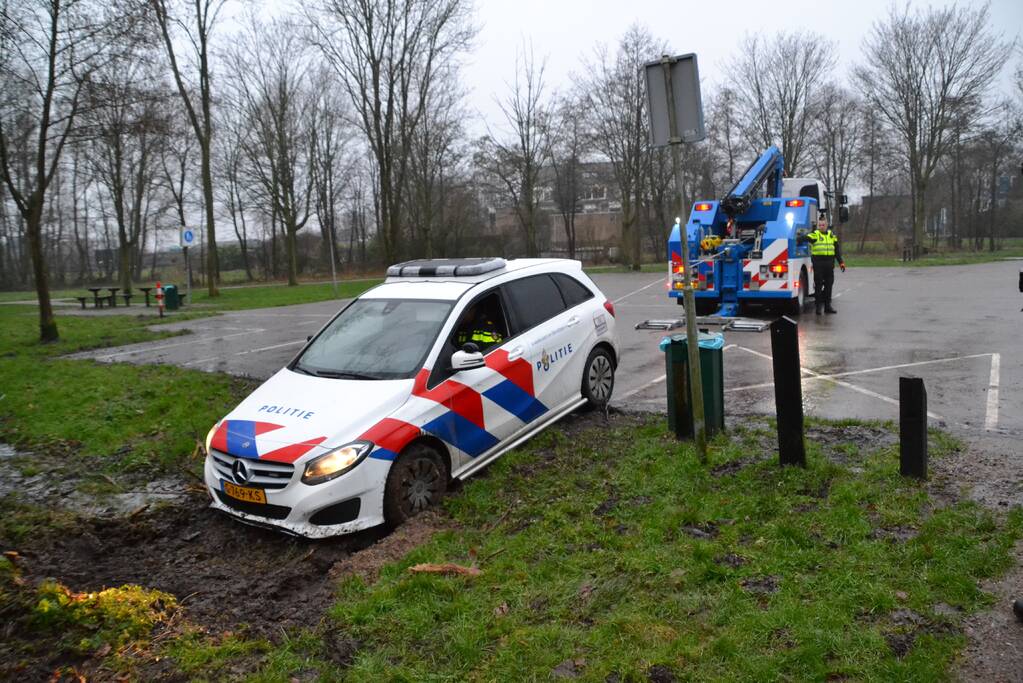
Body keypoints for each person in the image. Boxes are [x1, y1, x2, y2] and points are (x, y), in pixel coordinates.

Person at [800, 213, 846, 315]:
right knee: (818, 286)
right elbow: (805, 238)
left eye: (823, 225)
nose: (821, 226)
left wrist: (841, 263)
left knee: (829, 286)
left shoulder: (832, 236)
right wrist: (797, 239)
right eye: (819, 225)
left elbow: (837, 251)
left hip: (830, 265)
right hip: (818, 265)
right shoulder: (815, 234)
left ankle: (827, 306)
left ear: (826, 225)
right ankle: (818, 308)